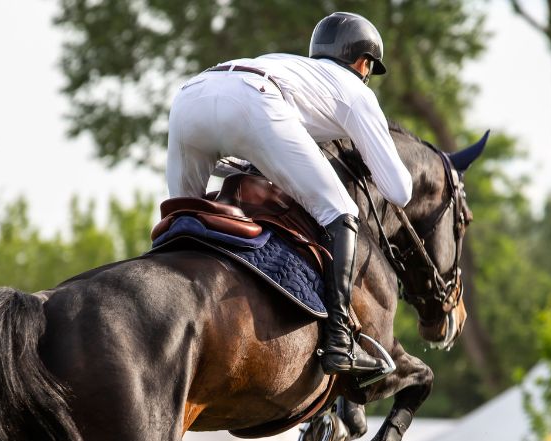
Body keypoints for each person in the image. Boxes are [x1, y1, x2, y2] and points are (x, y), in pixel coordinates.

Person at [165, 12, 413, 378]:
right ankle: (339, 343)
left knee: (182, 218)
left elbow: (238, 154)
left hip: (189, 97)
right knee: (342, 211)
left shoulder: (288, 65)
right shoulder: (357, 91)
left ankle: (166, 303)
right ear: (364, 63)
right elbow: (399, 191)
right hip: (255, 102)